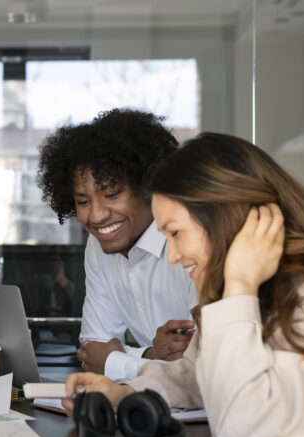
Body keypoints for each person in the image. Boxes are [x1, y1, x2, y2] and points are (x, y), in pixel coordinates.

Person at [64, 133, 304, 437]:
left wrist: (238, 288)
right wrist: (127, 392)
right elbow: (199, 372)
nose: (172, 255)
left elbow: (241, 428)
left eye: (175, 233)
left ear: (223, 219)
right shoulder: (257, 289)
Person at [37, 108, 197, 381]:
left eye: (111, 194)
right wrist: (151, 356)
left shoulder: (193, 239)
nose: (97, 216)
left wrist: (115, 362)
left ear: (148, 187)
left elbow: (204, 367)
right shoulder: (98, 245)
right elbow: (91, 351)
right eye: (83, 201)